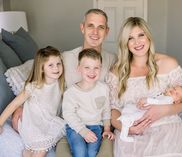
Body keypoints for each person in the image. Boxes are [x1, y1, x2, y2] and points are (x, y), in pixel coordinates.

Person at [11, 8, 116, 157]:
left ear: (107, 31)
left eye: (101, 27)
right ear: (82, 28)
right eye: (90, 25)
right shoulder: (65, 58)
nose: (95, 32)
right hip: (70, 124)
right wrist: (20, 106)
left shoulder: (113, 60)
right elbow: (40, 80)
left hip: (98, 125)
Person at [105, 17, 182, 156]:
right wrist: (127, 129)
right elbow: (112, 110)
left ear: (148, 37)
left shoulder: (168, 63)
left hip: (167, 128)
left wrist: (163, 110)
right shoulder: (116, 72)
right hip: (132, 134)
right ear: (125, 43)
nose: (137, 42)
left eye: (141, 35)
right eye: (130, 38)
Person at [0, 46, 65, 157]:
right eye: (51, 65)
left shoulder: (59, 83)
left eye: (59, 64)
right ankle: (28, 152)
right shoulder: (34, 86)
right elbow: (15, 103)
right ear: (42, 68)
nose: (56, 68)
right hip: (32, 123)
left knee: (61, 128)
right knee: (41, 150)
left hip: (47, 120)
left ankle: (28, 152)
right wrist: (0, 122)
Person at [62, 48, 114, 157]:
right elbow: (68, 114)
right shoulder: (71, 92)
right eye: (87, 67)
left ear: (101, 69)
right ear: (79, 69)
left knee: (92, 153)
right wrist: (83, 131)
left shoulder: (103, 88)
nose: (92, 72)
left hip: (96, 126)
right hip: (75, 127)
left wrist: (107, 129)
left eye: (96, 68)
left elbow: (106, 110)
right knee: (80, 151)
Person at [118, 85, 182, 142]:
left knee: (133, 117)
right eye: (174, 88)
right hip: (143, 109)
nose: (174, 91)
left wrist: (146, 100)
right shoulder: (162, 94)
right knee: (131, 109)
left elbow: (158, 102)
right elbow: (154, 97)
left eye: (176, 94)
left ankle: (123, 135)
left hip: (147, 113)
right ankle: (126, 117)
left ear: (177, 102)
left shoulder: (169, 100)